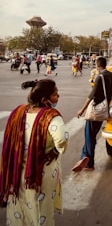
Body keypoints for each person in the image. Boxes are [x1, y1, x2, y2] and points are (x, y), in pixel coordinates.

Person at [0, 79, 69, 224]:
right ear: (45, 100)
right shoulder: (51, 116)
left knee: (19, 207)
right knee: (40, 210)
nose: (59, 96)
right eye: (55, 94)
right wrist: (56, 150)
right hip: (39, 174)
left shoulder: (18, 112)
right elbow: (62, 139)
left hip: (17, 171)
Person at [72, 57, 112, 172]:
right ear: (105, 64)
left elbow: (91, 96)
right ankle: (84, 156)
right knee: (91, 134)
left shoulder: (99, 77)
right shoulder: (111, 75)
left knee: (89, 135)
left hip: (97, 109)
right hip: (105, 108)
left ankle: (89, 162)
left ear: (97, 66)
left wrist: (81, 110)